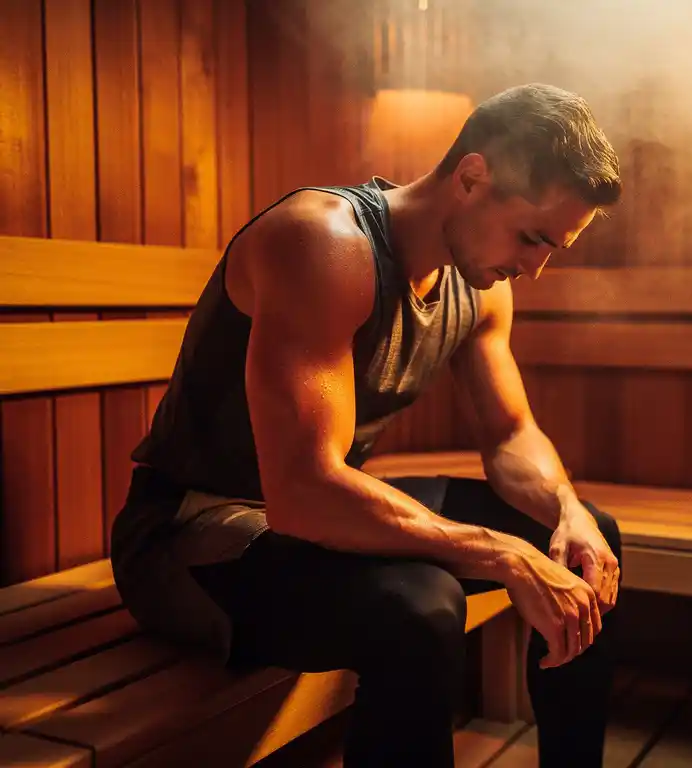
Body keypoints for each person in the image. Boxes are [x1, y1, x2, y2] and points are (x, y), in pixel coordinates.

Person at [110, 83, 624, 767]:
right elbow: (302, 492)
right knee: (421, 607)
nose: (535, 268)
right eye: (532, 237)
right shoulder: (324, 243)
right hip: (191, 536)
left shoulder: (480, 284)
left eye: (554, 247)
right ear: (472, 177)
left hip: (318, 515)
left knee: (588, 540)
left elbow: (509, 436)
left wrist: (565, 511)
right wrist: (503, 553)